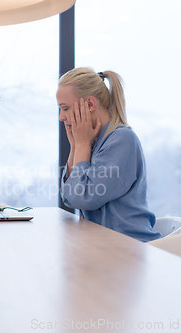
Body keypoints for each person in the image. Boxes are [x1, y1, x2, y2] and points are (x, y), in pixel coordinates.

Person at [57, 67, 160, 242]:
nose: (61, 117)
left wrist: (81, 145)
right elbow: (68, 197)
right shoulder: (93, 143)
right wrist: (75, 147)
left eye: (65, 108)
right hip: (105, 245)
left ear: (89, 105)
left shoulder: (122, 140)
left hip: (129, 248)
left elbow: (83, 198)